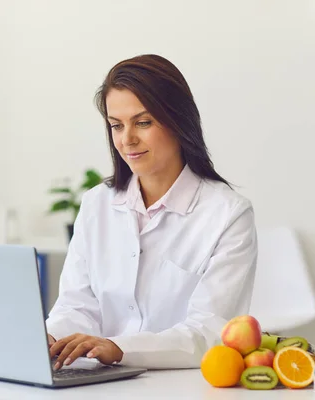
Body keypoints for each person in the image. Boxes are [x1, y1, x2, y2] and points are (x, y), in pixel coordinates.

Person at [46, 54, 258, 370]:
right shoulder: (97, 204)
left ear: (178, 121)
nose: (127, 139)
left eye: (143, 123)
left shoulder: (228, 214)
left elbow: (209, 332)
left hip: (181, 385)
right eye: (116, 126)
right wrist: (50, 339)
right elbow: (76, 306)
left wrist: (118, 347)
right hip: (100, 384)